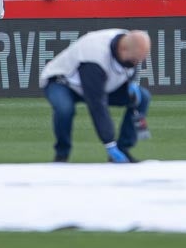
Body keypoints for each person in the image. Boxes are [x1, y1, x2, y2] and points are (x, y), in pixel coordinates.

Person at [38, 29, 152, 163]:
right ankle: (62, 155)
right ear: (123, 49)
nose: (136, 63)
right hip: (62, 82)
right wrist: (109, 143)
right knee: (65, 109)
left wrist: (131, 84)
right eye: (134, 60)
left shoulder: (129, 43)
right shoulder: (94, 57)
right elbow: (97, 104)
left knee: (142, 97)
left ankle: (123, 149)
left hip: (104, 83)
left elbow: (130, 67)